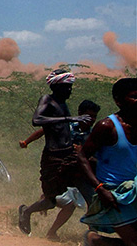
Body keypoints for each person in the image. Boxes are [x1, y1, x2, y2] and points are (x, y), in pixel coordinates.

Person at [18, 69, 93, 235]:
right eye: (67, 87)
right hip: (53, 157)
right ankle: (27, 211)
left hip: (70, 156)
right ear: (57, 87)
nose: (70, 90)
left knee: (88, 190)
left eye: (70, 87)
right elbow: (37, 120)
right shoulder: (48, 100)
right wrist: (70, 118)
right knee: (50, 202)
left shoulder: (63, 104)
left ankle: (93, 230)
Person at [78, 78, 137, 246]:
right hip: (113, 194)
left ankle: (97, 241)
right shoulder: (106, 126)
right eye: (134, 97)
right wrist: (100, 189)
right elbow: (82, 157)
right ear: (118, 101)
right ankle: (94, 240)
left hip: (133, 191)